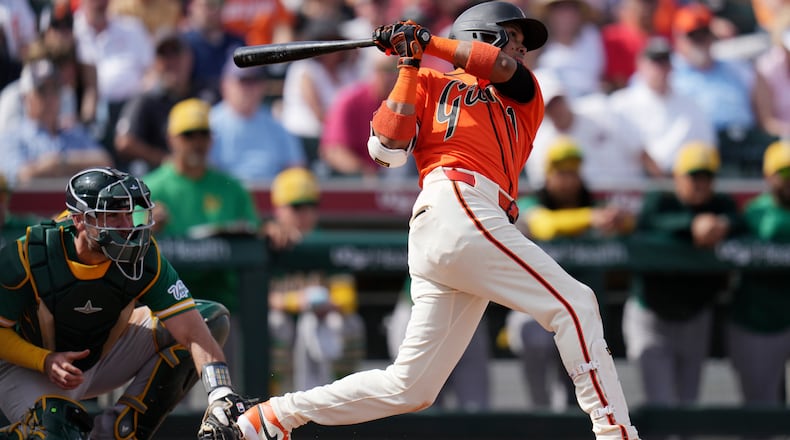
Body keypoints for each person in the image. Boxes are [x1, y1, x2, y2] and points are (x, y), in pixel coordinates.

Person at [229, 3, 641, 440]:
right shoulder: (425, 80)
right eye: (515, 39)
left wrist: (429, 43)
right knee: (575, 304)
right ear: (483, 34)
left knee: (410, 387)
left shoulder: (523, 90)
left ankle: (271, 417)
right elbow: (385, 149)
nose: (522, 51)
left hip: (471, 219)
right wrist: (409, 64)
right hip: (455, 205)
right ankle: (615, 432)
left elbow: (501, 67)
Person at [0, 166, 247, 439]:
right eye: (114, 215)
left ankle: (120, 432)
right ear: (80, 220)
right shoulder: (29, 255)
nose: (128, 226)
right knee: (56, 432)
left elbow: (194, 332)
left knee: (210, 319)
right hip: (25, 366)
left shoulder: (144, 256)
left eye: (131, 214)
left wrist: (220, 393)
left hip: (100, 354)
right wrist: (43, 360)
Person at [507, 139, 634, 410]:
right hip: (537, 312)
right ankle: (539, 419)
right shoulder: (531, 203)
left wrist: (621, 221)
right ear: (548, 174)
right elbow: (544, 226)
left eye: (573, 172)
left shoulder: (594, 205)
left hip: (582, 315)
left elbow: (631, 224)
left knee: (578, 396)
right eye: (561, 172)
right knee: (531, 338)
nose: (568, 179)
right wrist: (591, 218)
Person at [622, 141, 743, 406]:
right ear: (677, 177)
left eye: (706, 177)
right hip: (651, 314)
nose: (700, 183)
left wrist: (720, 225)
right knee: (662, 404)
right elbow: (648, 225)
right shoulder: (659, 200)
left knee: (688, 405)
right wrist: (692, 226)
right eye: (693, 176)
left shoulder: (721, 204)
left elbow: (740, 222)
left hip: (695, 316)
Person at [265, 168, 366, 394]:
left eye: (310, 206)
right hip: (282, 334)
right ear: (278, 209)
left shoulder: (324, 243)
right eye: (297, 207)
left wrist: (322, 304)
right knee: (277, 323)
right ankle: (269, 395)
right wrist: (293, 301)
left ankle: (342, 395)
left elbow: (346, 297)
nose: (304, 215)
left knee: (345, 323)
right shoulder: (269, 242)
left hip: (317, 333)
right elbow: (254, 296)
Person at [726, 140, 790, 405]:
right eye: (784, 173)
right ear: (768, 175)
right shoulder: (752, 213)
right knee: (760, 412)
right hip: (757, 320)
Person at [526, 69, 655, 188]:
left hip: (631, 194)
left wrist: (660, 182)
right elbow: (544, 186)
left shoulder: (600, 108)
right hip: (584, 208)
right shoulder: (539, 144)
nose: (556, 109)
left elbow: (639, 149)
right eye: (549, 106)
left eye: (557, 100)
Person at [609, 36, 716, 175]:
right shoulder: (620, 104)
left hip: (681, 182)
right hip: (635, 180)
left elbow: (707, 145)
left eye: (665, 61)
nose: (661, 68)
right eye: (655, 61)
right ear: (640, 64)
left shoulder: (691, 105)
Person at [0, 59, 112, 185]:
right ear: (26, 97)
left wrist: (58, 162)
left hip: (74, 204)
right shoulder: (11, 138)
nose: (50, 97)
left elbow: (105, 163)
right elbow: (22, 176)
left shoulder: (73, 132)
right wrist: (73, 163)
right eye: (42, 90)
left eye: (55, 89)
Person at [209, 57, 306, 182]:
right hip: (224, 196)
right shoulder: (210, 124)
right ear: (225, 85)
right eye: (243, 81)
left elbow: (296, 168)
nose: (249, 88)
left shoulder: (277, 126)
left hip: (271, 196)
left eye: (254, 81)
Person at [114, 31, 197, 175]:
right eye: (164, 56)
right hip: (156, 179)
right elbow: (124, 142)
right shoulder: (146, 100)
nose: (171, 62)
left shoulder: (203, 94)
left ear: (189, 58)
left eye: (176, 53)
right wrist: (164, 159)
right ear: (155, 63)